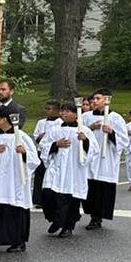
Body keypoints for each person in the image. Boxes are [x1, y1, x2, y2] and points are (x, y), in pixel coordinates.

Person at [0, 106, 40, 254]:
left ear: (5, 120)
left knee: (15, 210)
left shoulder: (21, 137)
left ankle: (18, 242)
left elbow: (34, 160)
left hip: (16, 180)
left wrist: (24, 153)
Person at [38, 102, 93, 238]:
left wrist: (85, 141)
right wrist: (55, 145)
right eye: (63, 111)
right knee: (48, 194)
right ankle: (56, 220)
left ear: (76, 114)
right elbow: (43, 145)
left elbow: (94, 151)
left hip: (73, 169)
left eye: (68, 111)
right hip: (56, 167)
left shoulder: (84, 131)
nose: (64, 113)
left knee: (69, 198)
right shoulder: (55, 130)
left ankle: (67, 226)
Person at [80, 89, 127, 230]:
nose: (94, 101)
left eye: (98, 98)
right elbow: (78, 132)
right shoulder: (86, 116)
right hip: (89, 157)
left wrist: (111, 133)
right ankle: (91, 213)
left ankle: (98, 217)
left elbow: (124, 140)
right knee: (90, 187)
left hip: (106, 158)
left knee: (102, 188)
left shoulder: (115, 118)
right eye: (93, 98)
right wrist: (90, 128)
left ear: (107, 100)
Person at [32, 101, 63, 207]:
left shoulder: (60, 123)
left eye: (49, 109)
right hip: (41, 150)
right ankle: (38, 199)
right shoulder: (41, 122)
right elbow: (36, 136)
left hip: (52, 152)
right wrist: (40, 137)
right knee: (39, 175)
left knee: (50, 175)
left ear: (57, 111)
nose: (47, 111)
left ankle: (51, 199)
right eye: (46, 109)